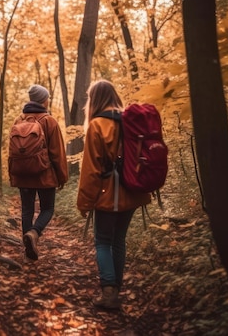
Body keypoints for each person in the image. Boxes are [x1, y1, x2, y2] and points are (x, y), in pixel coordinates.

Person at [77, 79, 151, 310]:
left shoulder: (98, 125)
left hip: (107, 193)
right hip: (132, 191)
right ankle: (115, 291)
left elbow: (91, 170)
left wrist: (84, 203)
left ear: (95, 100)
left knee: (102, 242)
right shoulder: (131, 121)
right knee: (118, 240)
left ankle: (109, 291)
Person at [9, 84, 68, 261]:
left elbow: (12, 152)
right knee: (47, 209)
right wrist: (62, 176)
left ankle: (28, 252)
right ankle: (34, 234)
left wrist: (13, 174)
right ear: (44, 100)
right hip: (45, 175)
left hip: (23, 174)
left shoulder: (18, 121)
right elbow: (57, 152)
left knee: (26, 210)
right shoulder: (49, 121)